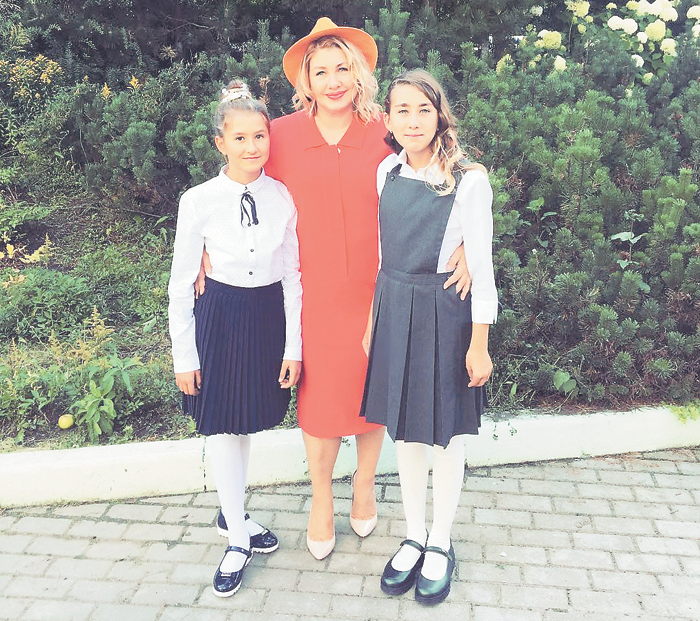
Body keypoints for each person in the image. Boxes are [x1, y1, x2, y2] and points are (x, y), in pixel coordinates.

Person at [197, 18, 471, 560]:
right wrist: (210, 244)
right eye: (320, 72)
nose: (333, 81)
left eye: (343, 68)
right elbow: (239, 180)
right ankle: (321, 498)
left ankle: (364, 485)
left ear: (359, 73)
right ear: (306, 81)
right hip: (309, 291)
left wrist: (463, 242)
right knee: (320, 397)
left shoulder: (386, 129)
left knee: (372, 387)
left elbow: (444, 167)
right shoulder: (280, 134)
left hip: (380, 285)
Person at [360, 69, 498, 604]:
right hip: (395, 309)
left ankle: (441, 540)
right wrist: (373, 321)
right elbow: (382, 256)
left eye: (424, 109)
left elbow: (481, 269)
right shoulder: (386, 172)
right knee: (407, 433)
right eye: (403, 110)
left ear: (440, 115)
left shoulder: (468, 181)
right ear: (388, 117)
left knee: (446, 436)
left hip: (445, 314)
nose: (413, 121)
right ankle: (414, 534)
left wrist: (479, 344)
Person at [168, 80, 302, 597]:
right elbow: (181, 284)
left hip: (265, 315)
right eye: (239, 138)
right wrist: (184, 354)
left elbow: (292, 275)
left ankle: (233, 514)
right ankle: (237, 540)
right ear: (219, 143)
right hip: (220, 315)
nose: (251, 147)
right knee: (223, 424)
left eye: (259, 136)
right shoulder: (199, 201)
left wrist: (293, 346)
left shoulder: (282, 197)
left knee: (245, 417)